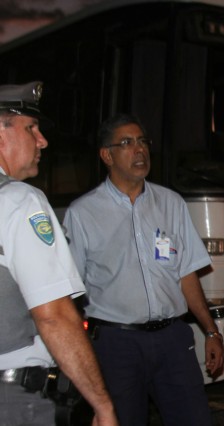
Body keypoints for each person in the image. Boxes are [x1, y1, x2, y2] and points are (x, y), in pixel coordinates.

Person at [63, 113, 224, 426]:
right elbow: (71, 290)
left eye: (143, 142)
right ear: (106, 155)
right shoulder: (83, 213)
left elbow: (186, 273)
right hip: (116, 344)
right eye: (127, 143)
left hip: (173, 340)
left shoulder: (172, 203)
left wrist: (211, 330)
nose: (139, 150)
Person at [0, 81, 117, 425]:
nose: (42, 141)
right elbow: (53, 315)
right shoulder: (19, 201)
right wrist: (103, 406)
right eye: (31, 128)